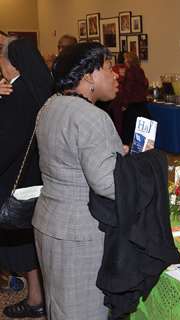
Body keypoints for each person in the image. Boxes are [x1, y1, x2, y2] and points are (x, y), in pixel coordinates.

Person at [33, 42, 126, 320]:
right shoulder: (92, 117)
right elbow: (107, 184)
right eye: (109, 67)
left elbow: (68, 155)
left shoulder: (50, 105)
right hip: (80, 233)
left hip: (50, 220)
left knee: (59, 304)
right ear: (88, 75)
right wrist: (139, 166)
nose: (116, 75)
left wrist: (114, 154)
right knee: (83, 310)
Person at [0, 36, 52, 318]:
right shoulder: (42, 92)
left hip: (14, 186)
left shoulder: (15, 97)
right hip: (37, 180)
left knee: (23, 247)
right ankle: (37, 298)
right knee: (32, 245)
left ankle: (35, 300)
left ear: (8, 64)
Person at [119, 51, 150, 144]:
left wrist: (124, 104)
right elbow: (145, 84)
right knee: (142, 132)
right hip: (142, 105)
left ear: (129, 60)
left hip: (132, 106)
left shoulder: (130, 72)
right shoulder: (140, 70)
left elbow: (128, 89)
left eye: (125, 59)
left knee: (130, 132)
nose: (124, 61)